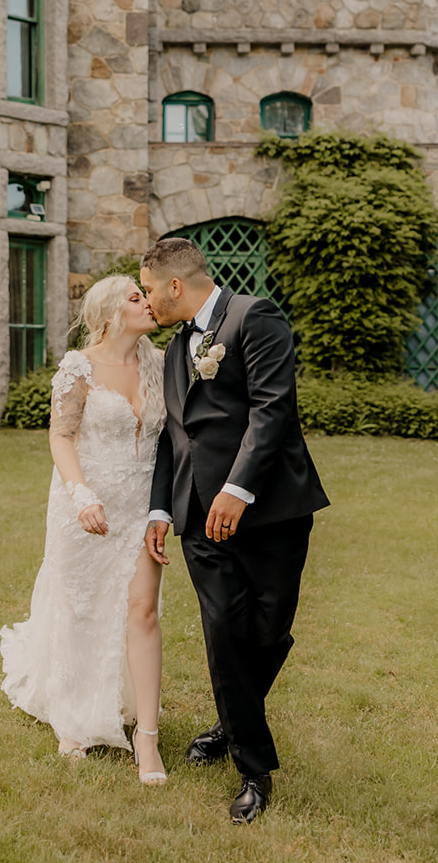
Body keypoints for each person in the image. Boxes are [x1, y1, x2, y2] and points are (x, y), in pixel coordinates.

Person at [141, 236, 329, 824]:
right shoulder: (174, 351)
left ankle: (229, 720)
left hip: (270, 508)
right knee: (223, 630)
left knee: (268, 631)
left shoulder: (255, 317)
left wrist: (238, 488)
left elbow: (274, 408)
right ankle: (254, 768)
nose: (147, 302)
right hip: (199, 517)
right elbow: (176, 438)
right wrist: (160, 510)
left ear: (176, 284)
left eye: (149, 289)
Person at [0, 275, 169, 785]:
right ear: (110, 314)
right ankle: (72, 718)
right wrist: (80, 495)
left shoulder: (159, 365)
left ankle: (148, 737)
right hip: (86, 504)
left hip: (141, 505)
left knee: (142, 611)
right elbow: (61, 436)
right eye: (137, 297)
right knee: (79, 607)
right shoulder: (79, 367)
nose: (149, 303)